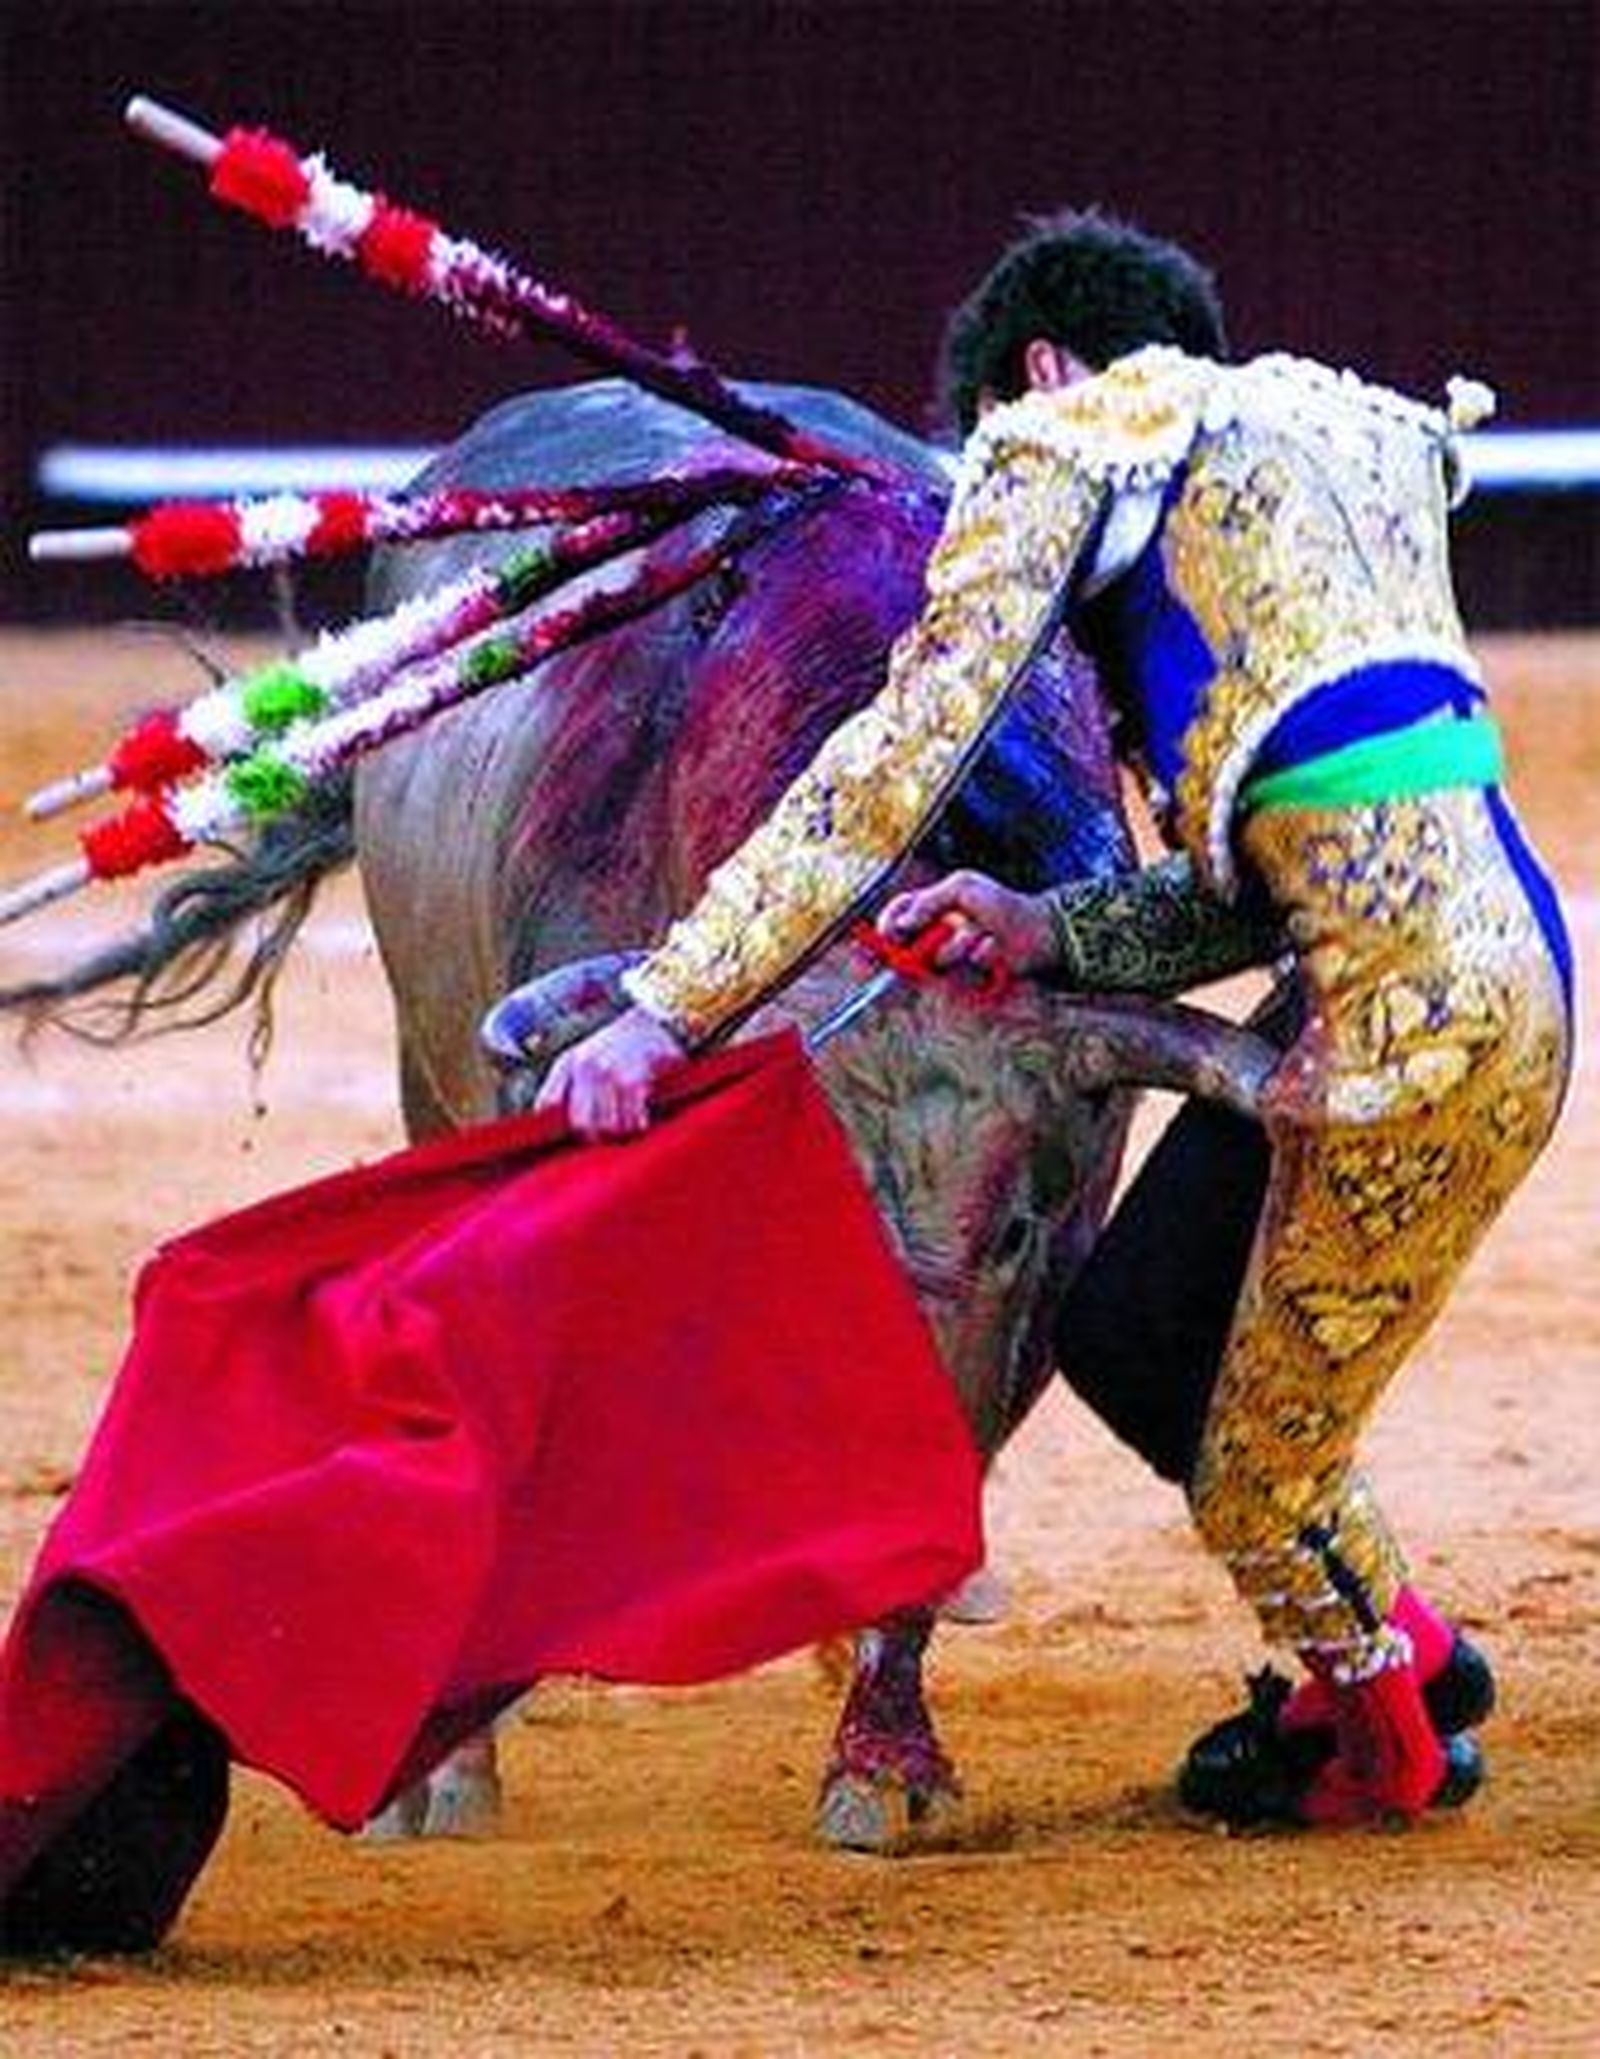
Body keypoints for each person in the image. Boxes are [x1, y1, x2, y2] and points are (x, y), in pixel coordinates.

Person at [538, 209, 1574, 1826]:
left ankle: (1382, 1746)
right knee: (1137, 1331)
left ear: (1038, 372)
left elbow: (894, 763)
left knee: (1258, 1475)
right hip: (1492, 980)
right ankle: (1412, 1656)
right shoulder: (1343, 434)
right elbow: (1269, 869)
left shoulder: (1065, 438)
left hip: (1394, 1030)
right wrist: (1044, 924)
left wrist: (669, 1006)